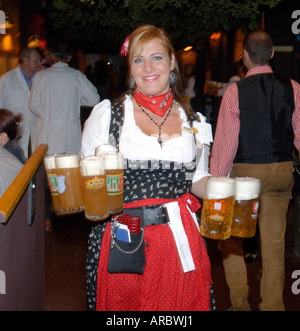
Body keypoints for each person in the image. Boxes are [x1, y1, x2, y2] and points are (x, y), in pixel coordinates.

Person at [81, 24, 214, 311]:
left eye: (156, 57)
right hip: (124, 240)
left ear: (172, 63)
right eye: (138, 60)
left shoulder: (196, 122)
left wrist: (222, 188)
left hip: (178, 242)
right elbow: (88, 181)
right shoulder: (108, 116)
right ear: (130, 68)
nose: (148, 67)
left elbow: (198, 179)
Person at [210, 29, 300, 311]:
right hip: (281, 172)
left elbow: (226, 143)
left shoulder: (234, 91)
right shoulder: (294, 87)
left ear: (245, 56)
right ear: (272, 54)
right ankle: (272, 305)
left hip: (245, 175)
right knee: (273, 245)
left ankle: (240, 303)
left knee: (233, 241)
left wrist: (216, 183)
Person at [28, 44, 100, 155]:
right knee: (68, 167)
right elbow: (94, 99)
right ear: (70, 57)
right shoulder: (77, 76)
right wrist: (77, 100)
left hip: (46, 133)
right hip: (69, 134)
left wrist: (48, 114)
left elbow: (33, 105)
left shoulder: (41, 76)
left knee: (47, 168)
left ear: (52, 56)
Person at [0, 48, 42, 158]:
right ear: (25, 60)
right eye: (36, 60)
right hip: (13, 135)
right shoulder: (7, 79)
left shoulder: (41, 80)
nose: (39, 63)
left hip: (36, 131)